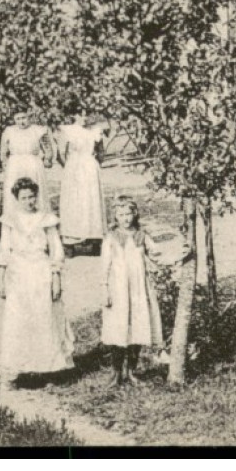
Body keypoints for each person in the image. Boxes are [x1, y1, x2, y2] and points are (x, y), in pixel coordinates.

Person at [0, 177, 76, 382]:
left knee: (44, 317)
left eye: (32, 197)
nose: (29, 201)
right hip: (18, 272)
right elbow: (4, 249)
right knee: (19, 319)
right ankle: (20, 368)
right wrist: (1, 278)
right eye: (24, 198)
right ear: (16, 199)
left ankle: (47, 369)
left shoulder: (46, 219)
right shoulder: (9, 221)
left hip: (40, 271)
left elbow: (56, 250)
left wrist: (55, 277)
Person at [101, 197, 164, 386]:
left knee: (137, 329)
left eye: (128, 214)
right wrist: (105, 288)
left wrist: (178, 256)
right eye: (121, 215)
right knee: (118, 330)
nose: (125, 218)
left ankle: (131, 372)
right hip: (118, 289)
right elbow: (104, 266)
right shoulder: (111, 238)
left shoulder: (142, 236)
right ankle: (116, 372)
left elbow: (158, 255)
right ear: (115, 216)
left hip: (138, 289)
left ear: (135, 214)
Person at [56, 114, 108, 252]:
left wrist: (94, 164)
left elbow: (101, 152)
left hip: (90, 167)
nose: (85, 118)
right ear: (74, 115)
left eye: (87, 114)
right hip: (73, 168)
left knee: (91, 201)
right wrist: (69, 167)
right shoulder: (67, 130)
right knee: (74, 202)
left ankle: (94, 238)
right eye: (81, 114)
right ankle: (70, 241)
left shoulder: (96, 130)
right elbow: (60, 154)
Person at [0, 112, 52, 214]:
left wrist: (47, 159)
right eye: (18, 119)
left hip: (33, 164)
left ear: (29, 117)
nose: (21, 121)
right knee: (15, 191)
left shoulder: (38, 130)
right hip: (15, 165)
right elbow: (3, 151)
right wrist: (4, 162)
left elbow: (48, 149)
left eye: (23, 118)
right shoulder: (9, 131)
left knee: (34, 191)